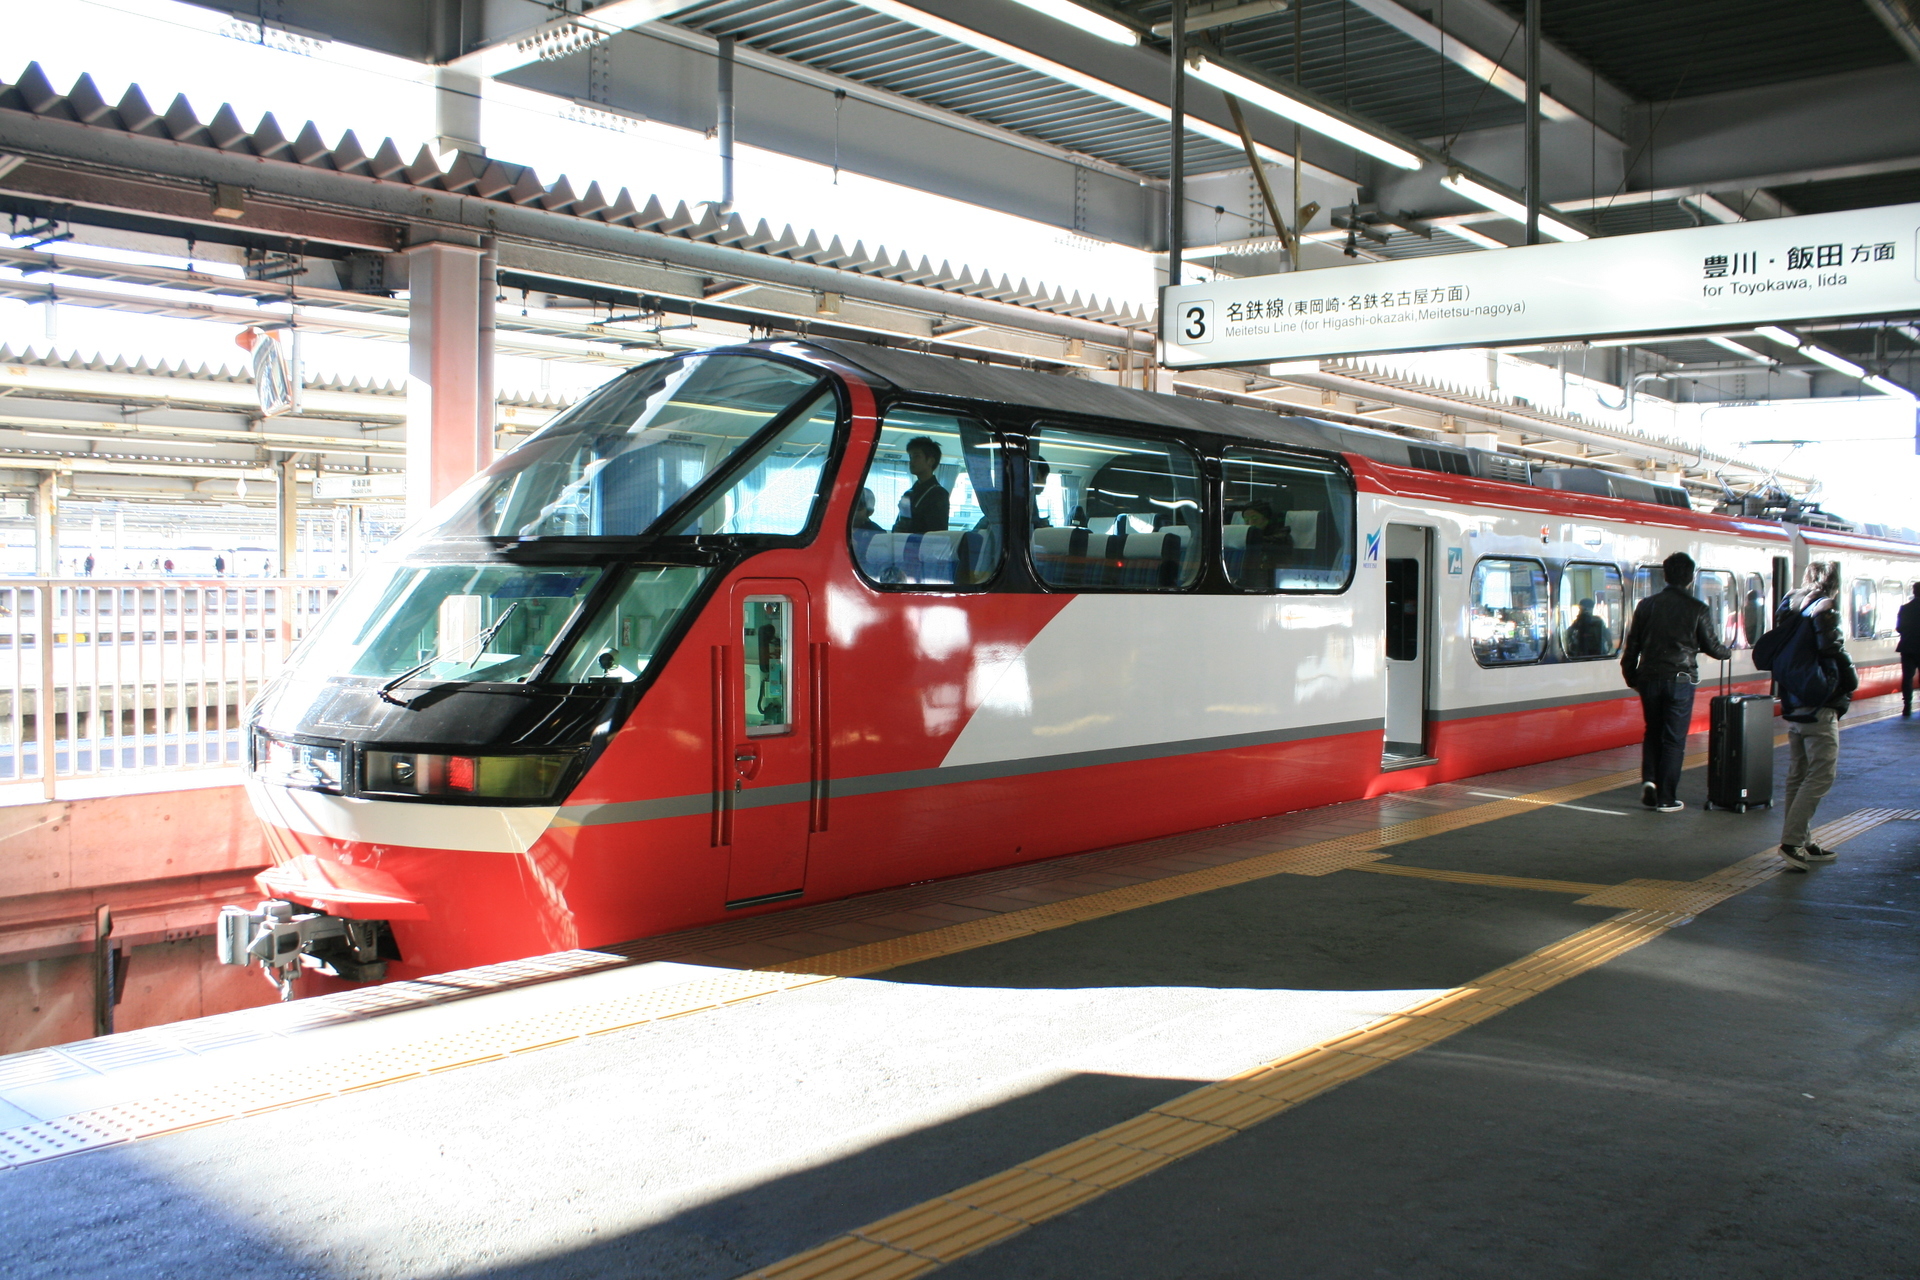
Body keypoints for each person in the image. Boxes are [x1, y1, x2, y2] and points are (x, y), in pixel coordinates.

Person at [1620, 551, 1731, 813]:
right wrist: (1728, 652)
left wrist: (1632, 677)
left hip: (1649, 678)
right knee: (1673, 739)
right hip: (1679, 680)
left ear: (1666, 576)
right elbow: (1713, 647)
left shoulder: (1646, 605)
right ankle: (1667, 798)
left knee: (1653, 731)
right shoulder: (1697, 608)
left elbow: (1632, 646)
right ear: (1691, 578)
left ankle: (1650, 781)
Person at [1775, 563, 1857, 869]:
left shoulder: (1790, 604)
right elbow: (1831, 648)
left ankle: (1802, 840)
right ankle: (1792, 842)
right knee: (1822, 774)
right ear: (1834, 583)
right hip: (1817, 704)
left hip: (1793, 701)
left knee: (1799, 773)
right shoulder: (1825, 607)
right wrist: (1849, 681)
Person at [891, 436, 949, 534]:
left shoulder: (939, 494)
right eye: (911, 457)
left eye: (917, 456)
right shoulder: (908, 494)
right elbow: (900, 525)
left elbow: (938, 532)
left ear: (931, 461)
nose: (911, 461)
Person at [1898, 582, 1920, 718]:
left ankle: (1907, 706)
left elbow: (1899, 628)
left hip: (1907, 647)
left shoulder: (1905, 608)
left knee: (1907, 677)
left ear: (1914, 592)